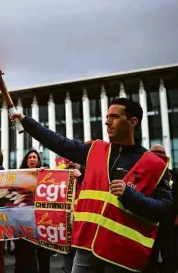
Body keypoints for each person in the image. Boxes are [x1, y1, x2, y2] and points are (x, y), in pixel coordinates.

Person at [10, 98, 172, 273]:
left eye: (114, 117)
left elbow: (165, 209)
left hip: (122, 255)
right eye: (107, 116)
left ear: (133, 122)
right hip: (87, 248)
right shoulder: (95, 150)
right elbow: (60, 143)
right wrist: (27, 122)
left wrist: (130, 195)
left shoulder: (153, 165)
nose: (107, 122)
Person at [14, 149, 51, 273]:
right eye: (30, 157)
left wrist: (44, 174)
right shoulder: (19, 176)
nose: (32, 159)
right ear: (26, 160)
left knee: (43, 254)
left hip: (42, 221)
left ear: (38, 160)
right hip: (24, 222)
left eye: (34, 157)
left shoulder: (45, 174)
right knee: (25, 256)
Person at [143, 145, 176, 273]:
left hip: (169, 223)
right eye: (155, 152)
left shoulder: (173, 175)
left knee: (169, 255)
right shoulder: (143, 174)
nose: (158, 154)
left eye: (161, 152)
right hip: (149, 222)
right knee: (150, 257)